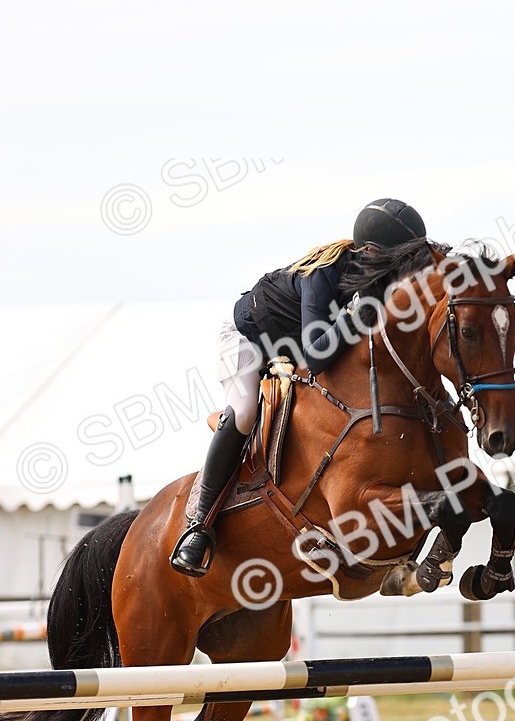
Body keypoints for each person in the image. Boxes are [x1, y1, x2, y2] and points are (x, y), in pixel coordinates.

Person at [170, 198, 428, 576]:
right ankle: (199, 525)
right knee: (243, 412)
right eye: (403, 262)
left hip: (294, 349)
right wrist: (358, 314)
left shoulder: (378, 281)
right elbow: (319, 353)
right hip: (248, 340)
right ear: (373, 253)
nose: (408, 273)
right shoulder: (323, 275)